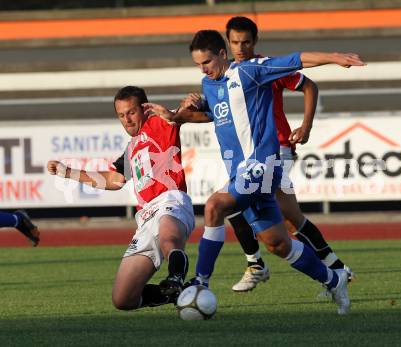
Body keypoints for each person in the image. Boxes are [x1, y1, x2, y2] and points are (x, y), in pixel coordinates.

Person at [144, 30, 365, 314]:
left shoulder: (249, 72)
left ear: (223, 54)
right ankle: (334, 280)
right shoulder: (208, 84)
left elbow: (296, 60)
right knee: (278, 244)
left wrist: (335, 58)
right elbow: (212, 114)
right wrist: (176, 115)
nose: (203, 69)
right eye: (198, 64)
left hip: (263, 165)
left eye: (207, 62)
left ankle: (200, 281)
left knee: (214, 206)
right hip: (241, 173)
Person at [223, 16, 353, 292]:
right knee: (292, 218)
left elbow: (309, 85)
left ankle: (255, 264)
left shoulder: (265, 67)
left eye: (246, 42)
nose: (241, 47)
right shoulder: (229, 73)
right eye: (235, 42)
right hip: (253, 156)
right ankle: (338, 268)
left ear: (255, 42)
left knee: (230, 202)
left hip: (278, 150)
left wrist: (306, 125)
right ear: (228, 43)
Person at [47, 86, 194, 310]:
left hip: (170, 200)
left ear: (145, 109)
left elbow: (188, 113)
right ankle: (176, 294)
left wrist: (195, 103)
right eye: (121, 115)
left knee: (168, 239)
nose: (127, 120)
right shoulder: (131, 148)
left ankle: (175, 278)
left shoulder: (161, 120)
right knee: (123, 299)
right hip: (145, 217)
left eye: (131, 112)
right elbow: (113, 181)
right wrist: (68, 172)